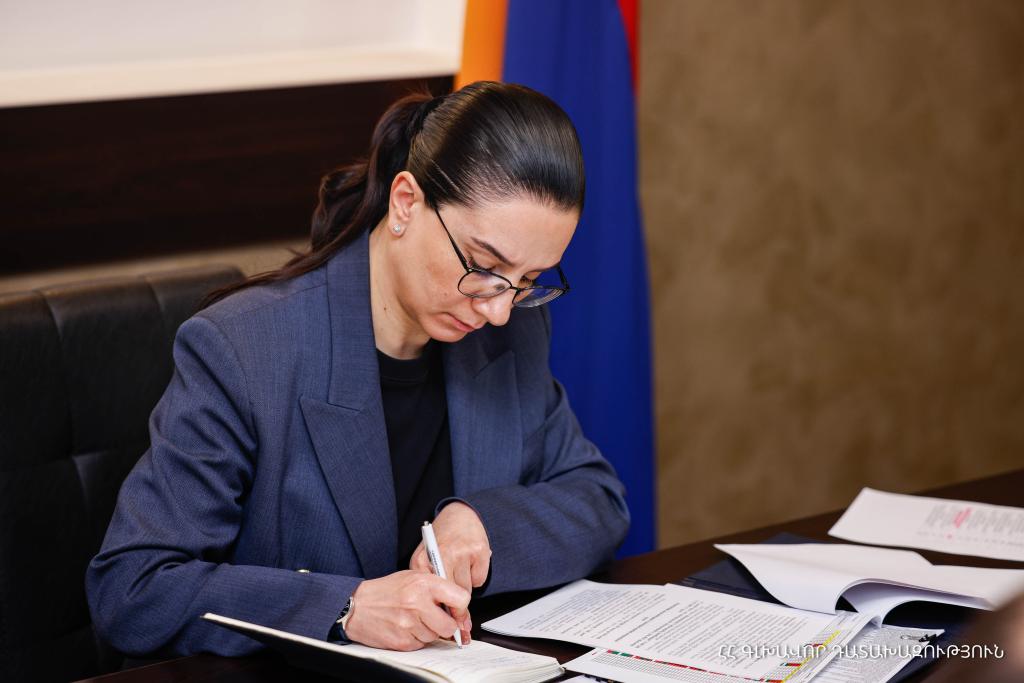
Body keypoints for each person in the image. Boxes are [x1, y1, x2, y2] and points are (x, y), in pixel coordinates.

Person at [86, 80, 630, 657]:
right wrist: (345, 608)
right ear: (405, 203)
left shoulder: (513, 334)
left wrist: (481, 522)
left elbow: (599, 499)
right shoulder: (244, 348)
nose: (498, 310)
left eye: (528, 281)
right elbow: (133, 588)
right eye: (483, 265)